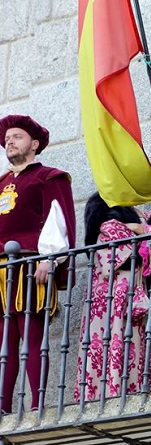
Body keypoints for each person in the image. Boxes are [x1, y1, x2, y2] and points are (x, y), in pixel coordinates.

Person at [0, 115, 75, 414]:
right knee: (3, 340)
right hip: (1, 269)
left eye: (16, 136)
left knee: (30, 335)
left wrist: (50, 258)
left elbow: (59, 220)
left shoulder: (48, 176)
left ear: (34, 144)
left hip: (31, 266)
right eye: (7, 138)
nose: (9, 141)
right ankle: (3, 406)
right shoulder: (1, 182)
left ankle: (37, 405)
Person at [74, 193, 151, 402]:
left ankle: (131, 391)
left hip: (132, 289)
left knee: (132, 342)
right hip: (108, 291)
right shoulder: (102, 207)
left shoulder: (145, 215)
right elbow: (114, 248)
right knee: (108, 341)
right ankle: (107, 395)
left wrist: (144, 229)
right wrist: (145, 232)